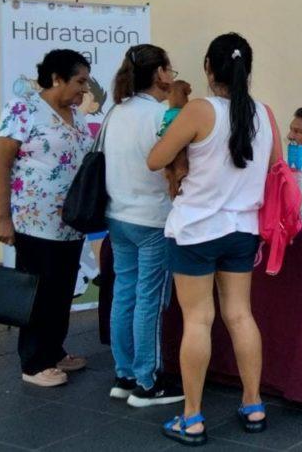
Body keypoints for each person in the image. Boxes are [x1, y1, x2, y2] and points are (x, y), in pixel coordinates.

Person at [148, 33, 277, 445]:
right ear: (248, 69)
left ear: (208, 67)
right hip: (243, 229)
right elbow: (275, 167)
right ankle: (253, 403)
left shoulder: (199, 110)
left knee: (198, 320)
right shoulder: (265, 114)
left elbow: (156, 159)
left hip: (196, 230)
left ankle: (192, 416)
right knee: (240, 315)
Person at [0, 49, 94, 387]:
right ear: (56, 78)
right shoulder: (22, 109)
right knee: (38, 292)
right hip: (34, 221)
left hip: (70, 223)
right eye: (79, 81)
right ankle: (34, 363)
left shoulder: (76, 116)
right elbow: (1, 164)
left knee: (62, 291)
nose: (84, 89)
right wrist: (3, 217)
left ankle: (54, 350)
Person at [104, 44, 184, 407]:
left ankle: (124, 375)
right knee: (149, 300)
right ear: (159, 73)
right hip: (152, 218)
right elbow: (175, 166)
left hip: (118, 215)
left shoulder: (116, 112)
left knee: (124, 293)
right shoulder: (160, 115)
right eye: (169, 69)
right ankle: (148, 382)